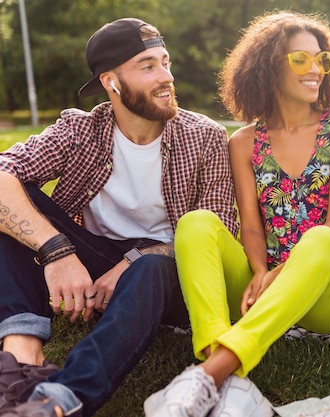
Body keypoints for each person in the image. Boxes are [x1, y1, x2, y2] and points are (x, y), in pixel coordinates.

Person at [0, 18, 237, 417]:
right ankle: (21, 359)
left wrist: (134, 260)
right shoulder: (80, 129)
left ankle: (64, 398)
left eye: (166, 62)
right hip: (89, 259)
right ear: (111, 82)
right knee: (11, 203)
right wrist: (57, 251)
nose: (166, 77)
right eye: (148, 66)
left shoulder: (205, 137)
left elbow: (219, 232)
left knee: (149, 270)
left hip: (168, 269)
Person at [144, 10, 330, 417]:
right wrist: (259, 270)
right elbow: (250, 224)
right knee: (196, 223)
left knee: (321, 237)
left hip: (329, 294)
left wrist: (277, 275)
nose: (315, 68)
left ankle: (210, 373)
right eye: (300, 59)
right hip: (266, 287)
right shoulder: (244, 142)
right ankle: (224, 373)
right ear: (268, 67)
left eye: (322, 59)